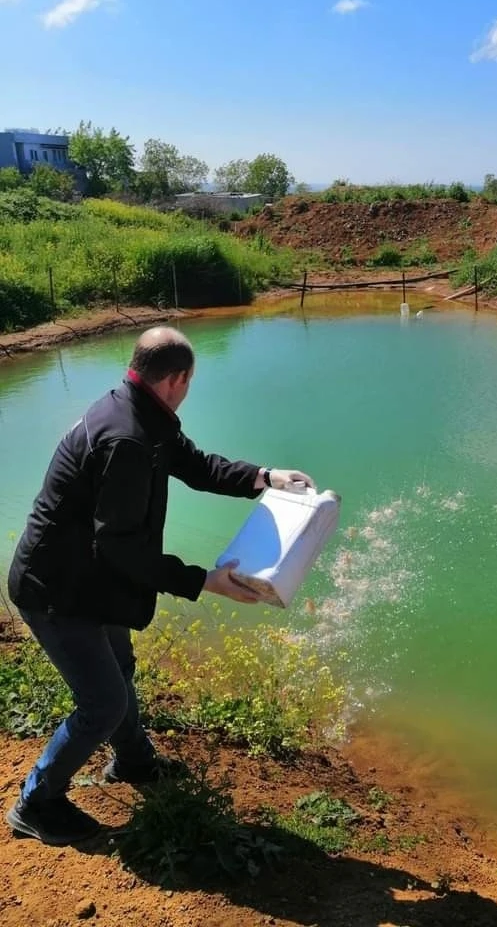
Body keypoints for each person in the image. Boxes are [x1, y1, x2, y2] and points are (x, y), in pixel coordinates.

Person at [4, 326, 315, 846]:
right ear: (177, 379)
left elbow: (193, 464)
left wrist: (264, 476)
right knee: (102, 701)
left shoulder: (139, 411)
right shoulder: (126, 438)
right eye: (189, 381)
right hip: (56, 587)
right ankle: (37, 802)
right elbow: (122, 549)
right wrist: (204, 582)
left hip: (86, 575)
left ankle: (133, 762)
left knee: (119, 669)